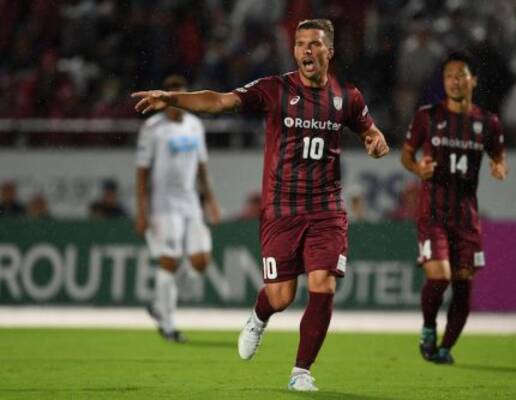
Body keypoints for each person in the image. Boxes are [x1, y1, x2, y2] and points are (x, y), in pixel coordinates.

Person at [132, 18, 389, 391]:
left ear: (329, 51)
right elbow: (219, 101)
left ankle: (301, 371)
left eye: (314, 44)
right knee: (281, 296)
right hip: (281, 209)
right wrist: (174, 99)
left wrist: (376, 140)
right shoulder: (275, 89)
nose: (306, 50)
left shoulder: (348, 96)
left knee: (323, 284)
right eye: (300, 44)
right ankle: (258, 316)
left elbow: (369, 130)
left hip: (327, 208)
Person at [400, 51, 508, 365]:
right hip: (433, 213)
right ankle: (428, 327)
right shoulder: (428, 116)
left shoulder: (488, 122)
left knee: (463, 287)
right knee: (439, 278)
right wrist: (418, 168)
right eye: (449, 76)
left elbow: (498, 155)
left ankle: (446, 347)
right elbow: (406, 154)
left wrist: (499, 165)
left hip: (466, 218)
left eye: (461, 75)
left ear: (473, 81)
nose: (454, 81)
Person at [135, 74, 221, 343]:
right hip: (164, 205)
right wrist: (142, 211)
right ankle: (169, 324)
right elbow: (142, 173)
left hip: (190, 202)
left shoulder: (195, 125)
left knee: (201, 261)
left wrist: (211, 200)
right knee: (169, 261)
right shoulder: (152, 128)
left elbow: (202, 166)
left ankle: (158, 303)